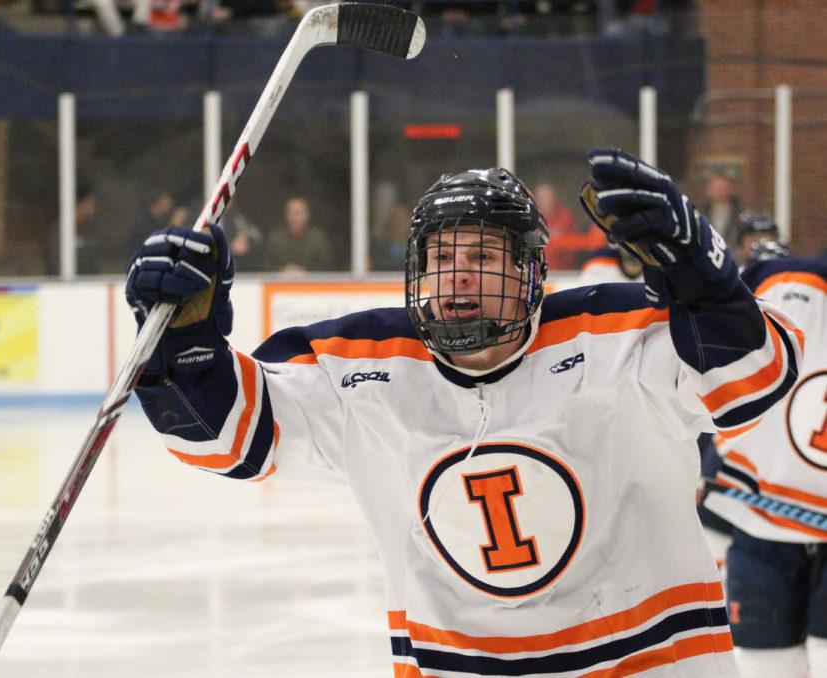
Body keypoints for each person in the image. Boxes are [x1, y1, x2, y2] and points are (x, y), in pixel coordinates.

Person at [125, 150, 803, 676]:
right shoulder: (360, 365)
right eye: (442, 257)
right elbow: (225, 438)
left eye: (483, 256)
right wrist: (182, 345)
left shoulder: (618, 333)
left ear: (533, 271)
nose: (458, 277)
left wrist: (710, 286)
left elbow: (755, 381)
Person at [702, 241, 826, 678]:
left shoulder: (781, 283)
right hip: (761, 524)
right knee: (764, 664)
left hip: (759, 515)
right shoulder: (787, 284)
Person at [263, 196, 333, 272]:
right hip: (281, 282)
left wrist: (306, 272)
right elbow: (266, 265)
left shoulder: (318, 238)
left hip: (311, 282)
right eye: (291, 213)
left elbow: (326, 267)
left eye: (298, 213)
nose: (295, 217)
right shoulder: (275, 238)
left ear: (307, 215)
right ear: (286, 215)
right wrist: (282, 270)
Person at [700, 173, 744, 250]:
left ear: (730, 189)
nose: (719, 192)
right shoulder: (700, 213)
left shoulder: (741, 215)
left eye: (723, 188)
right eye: (716, 188)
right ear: (708, 190)